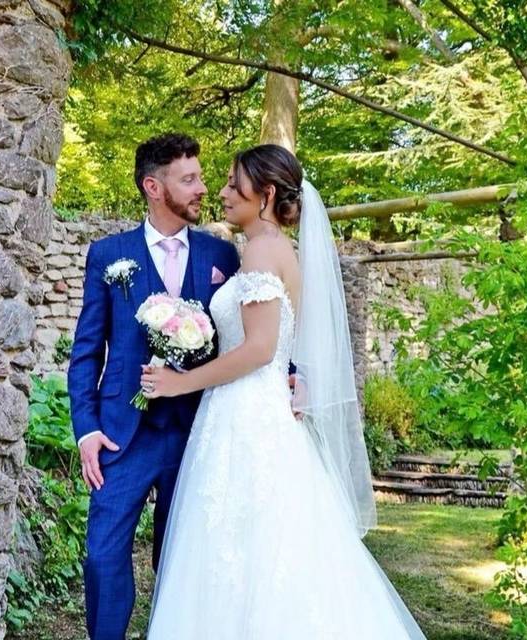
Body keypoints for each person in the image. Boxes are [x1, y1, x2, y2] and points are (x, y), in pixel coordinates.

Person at [140, 144, 427, 639]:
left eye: (234, 184)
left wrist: (178, 383)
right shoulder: (271, 249)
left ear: (266, 193)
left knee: (243, 549)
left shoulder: (263, 248)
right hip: (251, 409)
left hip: (246, 417)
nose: (223, 193)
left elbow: (258, 349)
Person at [67, 133, 240, 640]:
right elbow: (86, 353)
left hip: (196, 434)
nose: (202, 189)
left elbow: (249, 328)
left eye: (201, 177)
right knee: (102, 556)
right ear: (153, 186)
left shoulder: (222, 255)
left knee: (184, 561)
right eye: (189, 179)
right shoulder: (108, 255)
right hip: (122, 435)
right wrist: (86, 430)